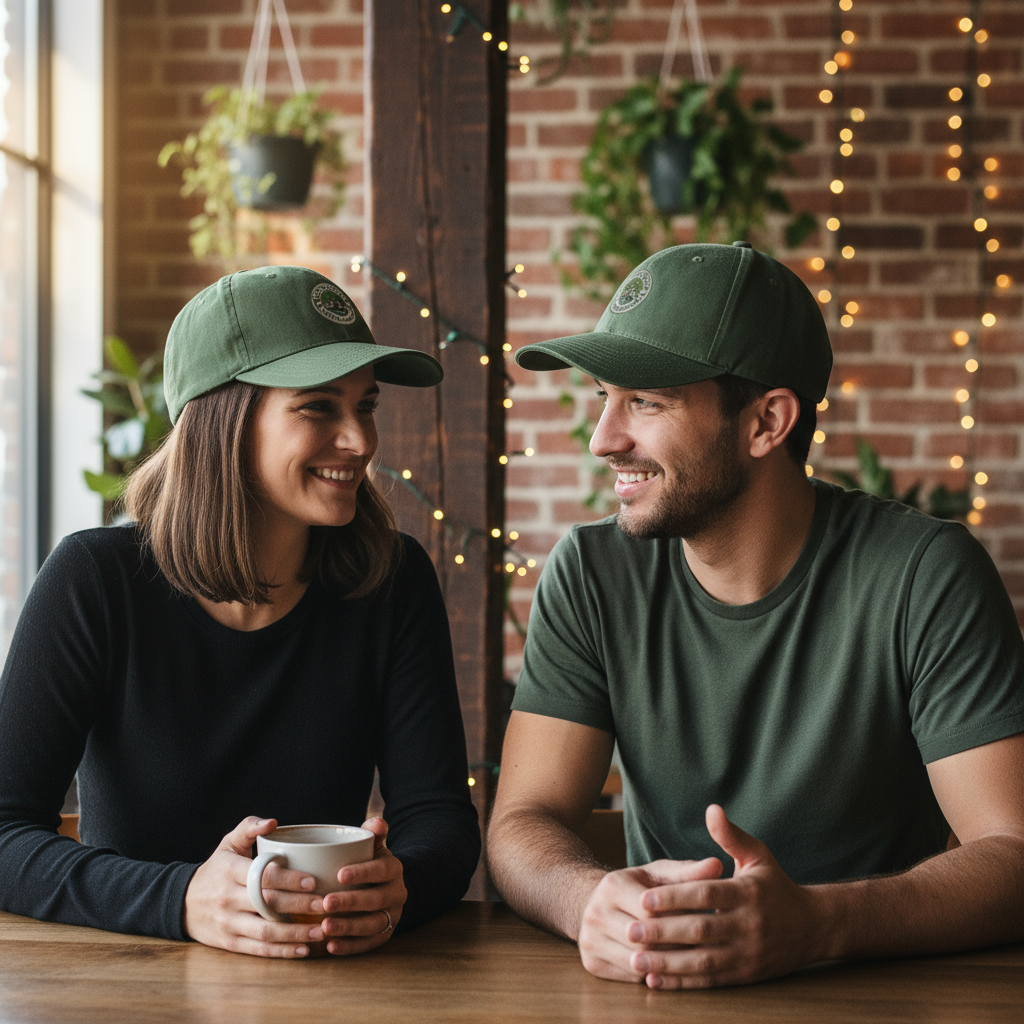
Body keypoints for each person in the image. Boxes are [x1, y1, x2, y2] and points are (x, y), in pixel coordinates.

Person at [487, 241, 1024, 989]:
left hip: (879, 997)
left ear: (767, 422)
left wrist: (817, 924)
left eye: (646, 401)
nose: (605, 439)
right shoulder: (590, 573)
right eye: (605, 396)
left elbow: (1012, 853)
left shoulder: (925, 575)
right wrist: (591, 904)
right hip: (659, 990)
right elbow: (522, 822)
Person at [0, 265, 480, 958]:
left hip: (330, 980)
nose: (360, 440)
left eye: (366, 405)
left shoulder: (392, 579)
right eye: (319, 407)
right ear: (221, 421)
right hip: (130, 983)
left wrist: (396, 890)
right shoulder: (94, 580)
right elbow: (5, 833)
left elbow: (440, 821)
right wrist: (181, 899)